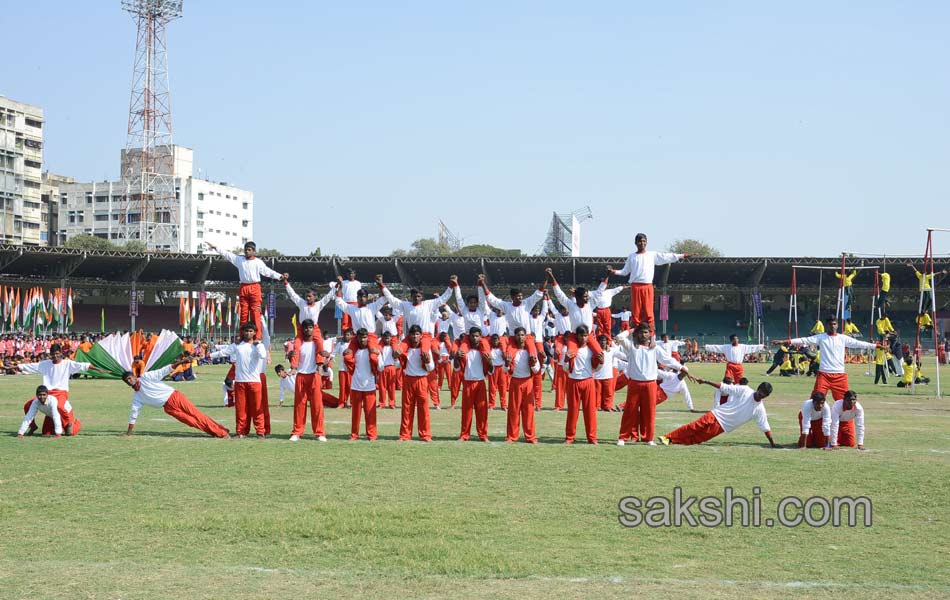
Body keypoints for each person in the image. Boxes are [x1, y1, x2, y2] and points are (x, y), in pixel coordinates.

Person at [613, 323, 687, 445]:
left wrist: (681, 367)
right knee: (630, 410)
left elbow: (667, 360)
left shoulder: (655, 348)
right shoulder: (631, 347)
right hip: (634, 383)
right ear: (637, 333)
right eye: (641, 332)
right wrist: (631, 330)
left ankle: (648, 438)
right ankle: (623, 437)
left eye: (646, 332)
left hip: (650, 384)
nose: (643, 335)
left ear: (650, 334)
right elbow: (620, 337)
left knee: (649, 411)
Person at [121, 358, 230, 438]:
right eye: (127, 381)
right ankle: (217, 432)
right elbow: (134, 414)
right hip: (168, 408)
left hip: (174, 397)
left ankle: (222, 433)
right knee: (191, 422)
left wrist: (181, 362)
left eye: (130, 378)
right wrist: (129, 433)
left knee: (197, 415)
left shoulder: (146, 377)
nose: (129, 381)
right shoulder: (137, 397)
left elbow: (164, 370)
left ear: (134, 376)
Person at [779, 315, 876, 401]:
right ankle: (811, 421)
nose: (832, 326)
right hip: (824, 375)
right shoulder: (821, 337)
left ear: (837, 325)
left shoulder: (843, 338)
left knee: (845, 403)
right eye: (830, 324)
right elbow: (805, 340)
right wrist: (788, 341)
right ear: (826, 326)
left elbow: (859, 344)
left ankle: (843, 422)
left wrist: (875, 346)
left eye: (834, 324)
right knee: (815, 401)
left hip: (840, 375)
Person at [205, 241, 287, 340]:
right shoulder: (239, 260)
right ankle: (242, 335)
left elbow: (267, 272)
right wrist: (216, 247)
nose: (247, 252)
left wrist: (279, 276)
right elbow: (227, 254)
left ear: (254, 251)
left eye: (249, 250)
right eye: (245, 250)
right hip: (243, 287)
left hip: (255, 287)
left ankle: (257, 337)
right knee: (243, 313)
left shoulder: (258, 262)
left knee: (255, 312)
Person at [606, 233, 686, 333]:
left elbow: (666, 257)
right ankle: (636, 336)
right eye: (640, 241)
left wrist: (682, 255)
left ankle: (652, 336)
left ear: (646, 242)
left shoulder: (652, 255)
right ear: (635, 243)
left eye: (644, 241)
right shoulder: (631, 256)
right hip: (635, 286)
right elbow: (624, 271)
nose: (642, 243)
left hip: (648, 286)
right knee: (636, 312)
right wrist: (613, 271)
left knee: (649, 311)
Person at [15, 343, 101, 435]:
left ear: (60, 353)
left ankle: (72, 423)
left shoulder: (67, 364)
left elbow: (82, 365)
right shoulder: (45, 364)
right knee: (28, 405)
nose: (55, 356)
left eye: (57, 353)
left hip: (61, 393)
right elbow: (31, 366)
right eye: (53, 354)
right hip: (47, 394)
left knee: (61, 410)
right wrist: (14, 367)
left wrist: (98, 369)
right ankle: (33, 426)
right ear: (50, 354)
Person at [661, 380, 777, 447]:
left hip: (723, 426)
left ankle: (672, 441)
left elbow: (765, 427)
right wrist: (706, 381)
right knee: (694, 427)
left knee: (697, 439)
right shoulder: (745, 390)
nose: (761, 395)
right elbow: (724, 387)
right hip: (716, 414)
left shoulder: (760, 409)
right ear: (758, 388)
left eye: (764, 395)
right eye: (761, 392)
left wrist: (772, 443)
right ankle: (667, 437)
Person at [209, 322, 268, 438]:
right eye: (246, 331)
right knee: (241, 409)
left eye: (251, 331)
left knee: (257, 408)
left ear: (255, 332)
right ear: (243, 332)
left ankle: (260, 432)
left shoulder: (257, 345)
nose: (248, 333)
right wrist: (209, 356)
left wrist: (258, 345)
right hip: (240, 381)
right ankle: (241, 432)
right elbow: (223, 352)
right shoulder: (237, 345)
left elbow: (263, 356)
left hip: (254, 382)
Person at [479, 273, 545, 361]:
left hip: (527, 336)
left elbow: (538, 293)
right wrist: (483, 283)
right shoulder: (506, 306)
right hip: (513, 338)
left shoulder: (527, 303)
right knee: (508, 358)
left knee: (533, 358)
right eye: (518, 296)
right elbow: (492, 299)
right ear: (512, 297)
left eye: (521, 296)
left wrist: (547, 277)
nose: (520, 298)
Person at [562, 325, 602, 444]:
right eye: (581, 335)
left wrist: (601, 362)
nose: (583, 338)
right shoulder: (570, 349)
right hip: (573, 381)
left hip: (588, 380)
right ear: (577, 336)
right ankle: (569, 437)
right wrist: (566, 360)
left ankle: (592, 437)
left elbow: (597, 368)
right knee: (572, 411)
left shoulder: (591, 349)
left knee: (590, 411)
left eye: (585, 335)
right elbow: (565, 369)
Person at [287, 319, 325, 442]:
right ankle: (297, 432)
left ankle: (319, 433)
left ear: (313, 329)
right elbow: (293, 357)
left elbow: (324, 354)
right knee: (299, 405)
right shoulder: (298, 343)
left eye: (310, 327)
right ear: (302, 330)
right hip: (301, 376)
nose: (307, 330)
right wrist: (292, 365)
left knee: (317, 405)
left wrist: (325, 358)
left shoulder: (317, 343)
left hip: (314, 375)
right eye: (305, 328)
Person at [395, 325, 435, 441]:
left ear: (421, 336)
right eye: (413, 334)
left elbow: (430, 368)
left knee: (423, 409)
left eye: (417, 334)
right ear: (409, 336)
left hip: (422, 379)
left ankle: (425, 435)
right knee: (406, 409)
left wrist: (427, 361)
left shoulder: (425, 349)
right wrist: (396, 358)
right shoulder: (405, 349)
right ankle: (405, 435)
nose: (415, 336)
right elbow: (398, 366)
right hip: (408, 379)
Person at [454, 327, 492, 441]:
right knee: (466, 411)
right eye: (473, 336)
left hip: (480, 383)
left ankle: (483, 435)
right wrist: (456, 357)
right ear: (469, 337)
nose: (475, 338)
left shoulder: (484, 353)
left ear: (480, 337)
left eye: (477, 336)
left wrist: (490, 362)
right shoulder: (465, 352)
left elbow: (490, 370)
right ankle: (464, 435)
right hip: (468, 383)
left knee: (482, 411)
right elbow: (457, 368)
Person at [506, 327, 541, 443]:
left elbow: (537, 370)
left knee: (529, 410)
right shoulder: (511, 350)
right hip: (515, 382)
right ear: (514, 337)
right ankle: (512, 436)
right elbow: (504, 370)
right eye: (518, 335)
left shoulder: (530, 351)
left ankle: (530, 436)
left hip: (527, 382)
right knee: (513, 410)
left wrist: (533, 363)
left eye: (522, 335)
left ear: (526, 337)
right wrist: (506, 364)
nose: (520, 337)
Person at [346, 328, 378, 441]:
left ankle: (372, 434)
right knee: (356, 413)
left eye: (364, 337)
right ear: (357, 338)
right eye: (360, 337)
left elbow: (380, 366)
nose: (362, 339)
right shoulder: (353, 351)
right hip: (356, 385)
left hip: (369, 385)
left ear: (367, 338)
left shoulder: (373, 351)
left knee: (370, 412)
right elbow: (348, 366)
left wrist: (377, 357)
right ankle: (354, 434)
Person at [377, 331, 398, 409]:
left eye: (388, 338)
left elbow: (397, 357)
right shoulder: (380, 347)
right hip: (382, 368)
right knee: (382, 387)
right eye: (385, 338)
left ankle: (392, 403)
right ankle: (382, 403)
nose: (386, 340)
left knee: (391, 386)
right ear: (383, 338)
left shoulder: (394, 347)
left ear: (390, 338)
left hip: (391, 367)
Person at [487, 334, 509, 410]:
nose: (495, 341)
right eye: (493, 340)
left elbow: (506, 357)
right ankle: (491, 404)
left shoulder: (502, 349)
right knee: (492, 387)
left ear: (499, 340)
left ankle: (504, 405)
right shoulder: (490, 349)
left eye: (496, 340)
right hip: (493, 369)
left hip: (501, 368)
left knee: (503, 387)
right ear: (491, 341)